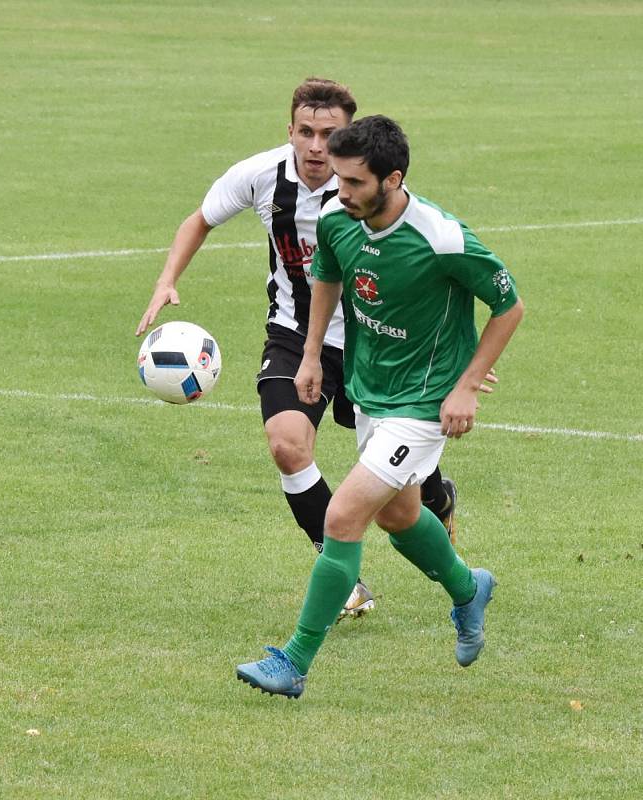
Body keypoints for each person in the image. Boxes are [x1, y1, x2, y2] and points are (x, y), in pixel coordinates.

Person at [136, 79, 468, 618]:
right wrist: (165, 280)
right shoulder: (259, 175)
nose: (315, 147)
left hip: (374, 340)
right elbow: (199, 220)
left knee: (401, 488)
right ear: (289, 130)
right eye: (305, 132)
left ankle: (437, 495)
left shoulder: (370, 190)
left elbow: (430, 270)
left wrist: (460, 360)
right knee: (287, 444)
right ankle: (345, 580)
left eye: (328, 135)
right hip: (294, 334)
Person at [236, 115, 524, 698]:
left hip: (422, 403)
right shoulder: (339, 217)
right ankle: (469, 590)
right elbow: (326, 276)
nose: (339, 193)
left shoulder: (441, 238)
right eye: (337, 180)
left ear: (393, 179)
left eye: (355, 183)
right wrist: (311, 355)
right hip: (371, 390)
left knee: (343, 518)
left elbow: (508, 306)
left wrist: (467, 385)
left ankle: (293, 663)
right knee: (399, 518)